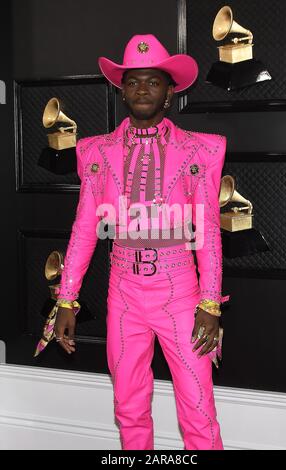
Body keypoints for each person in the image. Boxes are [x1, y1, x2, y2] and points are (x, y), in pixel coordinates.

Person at [39, 34, 229, 450]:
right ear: (122, 90)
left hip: (181, 293)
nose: (142, 89)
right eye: (133, 81)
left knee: (198, 408)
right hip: (122, 295)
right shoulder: (95, 152)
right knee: (128, 406)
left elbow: (209, 231)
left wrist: (210, 303)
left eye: (153, 82)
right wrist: (67, 299)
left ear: (169, 92)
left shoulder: (201, 150)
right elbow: (85, 228)